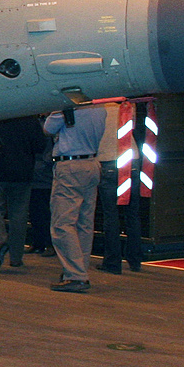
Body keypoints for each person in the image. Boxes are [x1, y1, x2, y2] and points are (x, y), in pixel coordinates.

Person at [43, 105, 107, 293]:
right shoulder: (101, 108)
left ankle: (75, 275)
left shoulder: (66, 108)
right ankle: (80, 269)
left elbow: (47, 129)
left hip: (70, 166)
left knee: (62, 223)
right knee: (84, 223)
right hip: (92, 163)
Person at [0, 116, 46, 272]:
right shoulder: (29, 117)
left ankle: (0, 240)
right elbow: (40, 145)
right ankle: (16, 258)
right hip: (23, 171)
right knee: (19, 215)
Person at [95, 101, 140, 274]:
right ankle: (135, 260)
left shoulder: (97, 107)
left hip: (107, 159)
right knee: (132, 213)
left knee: (111, 214)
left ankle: (113, 262)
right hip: (131, 158)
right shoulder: (128, 105)